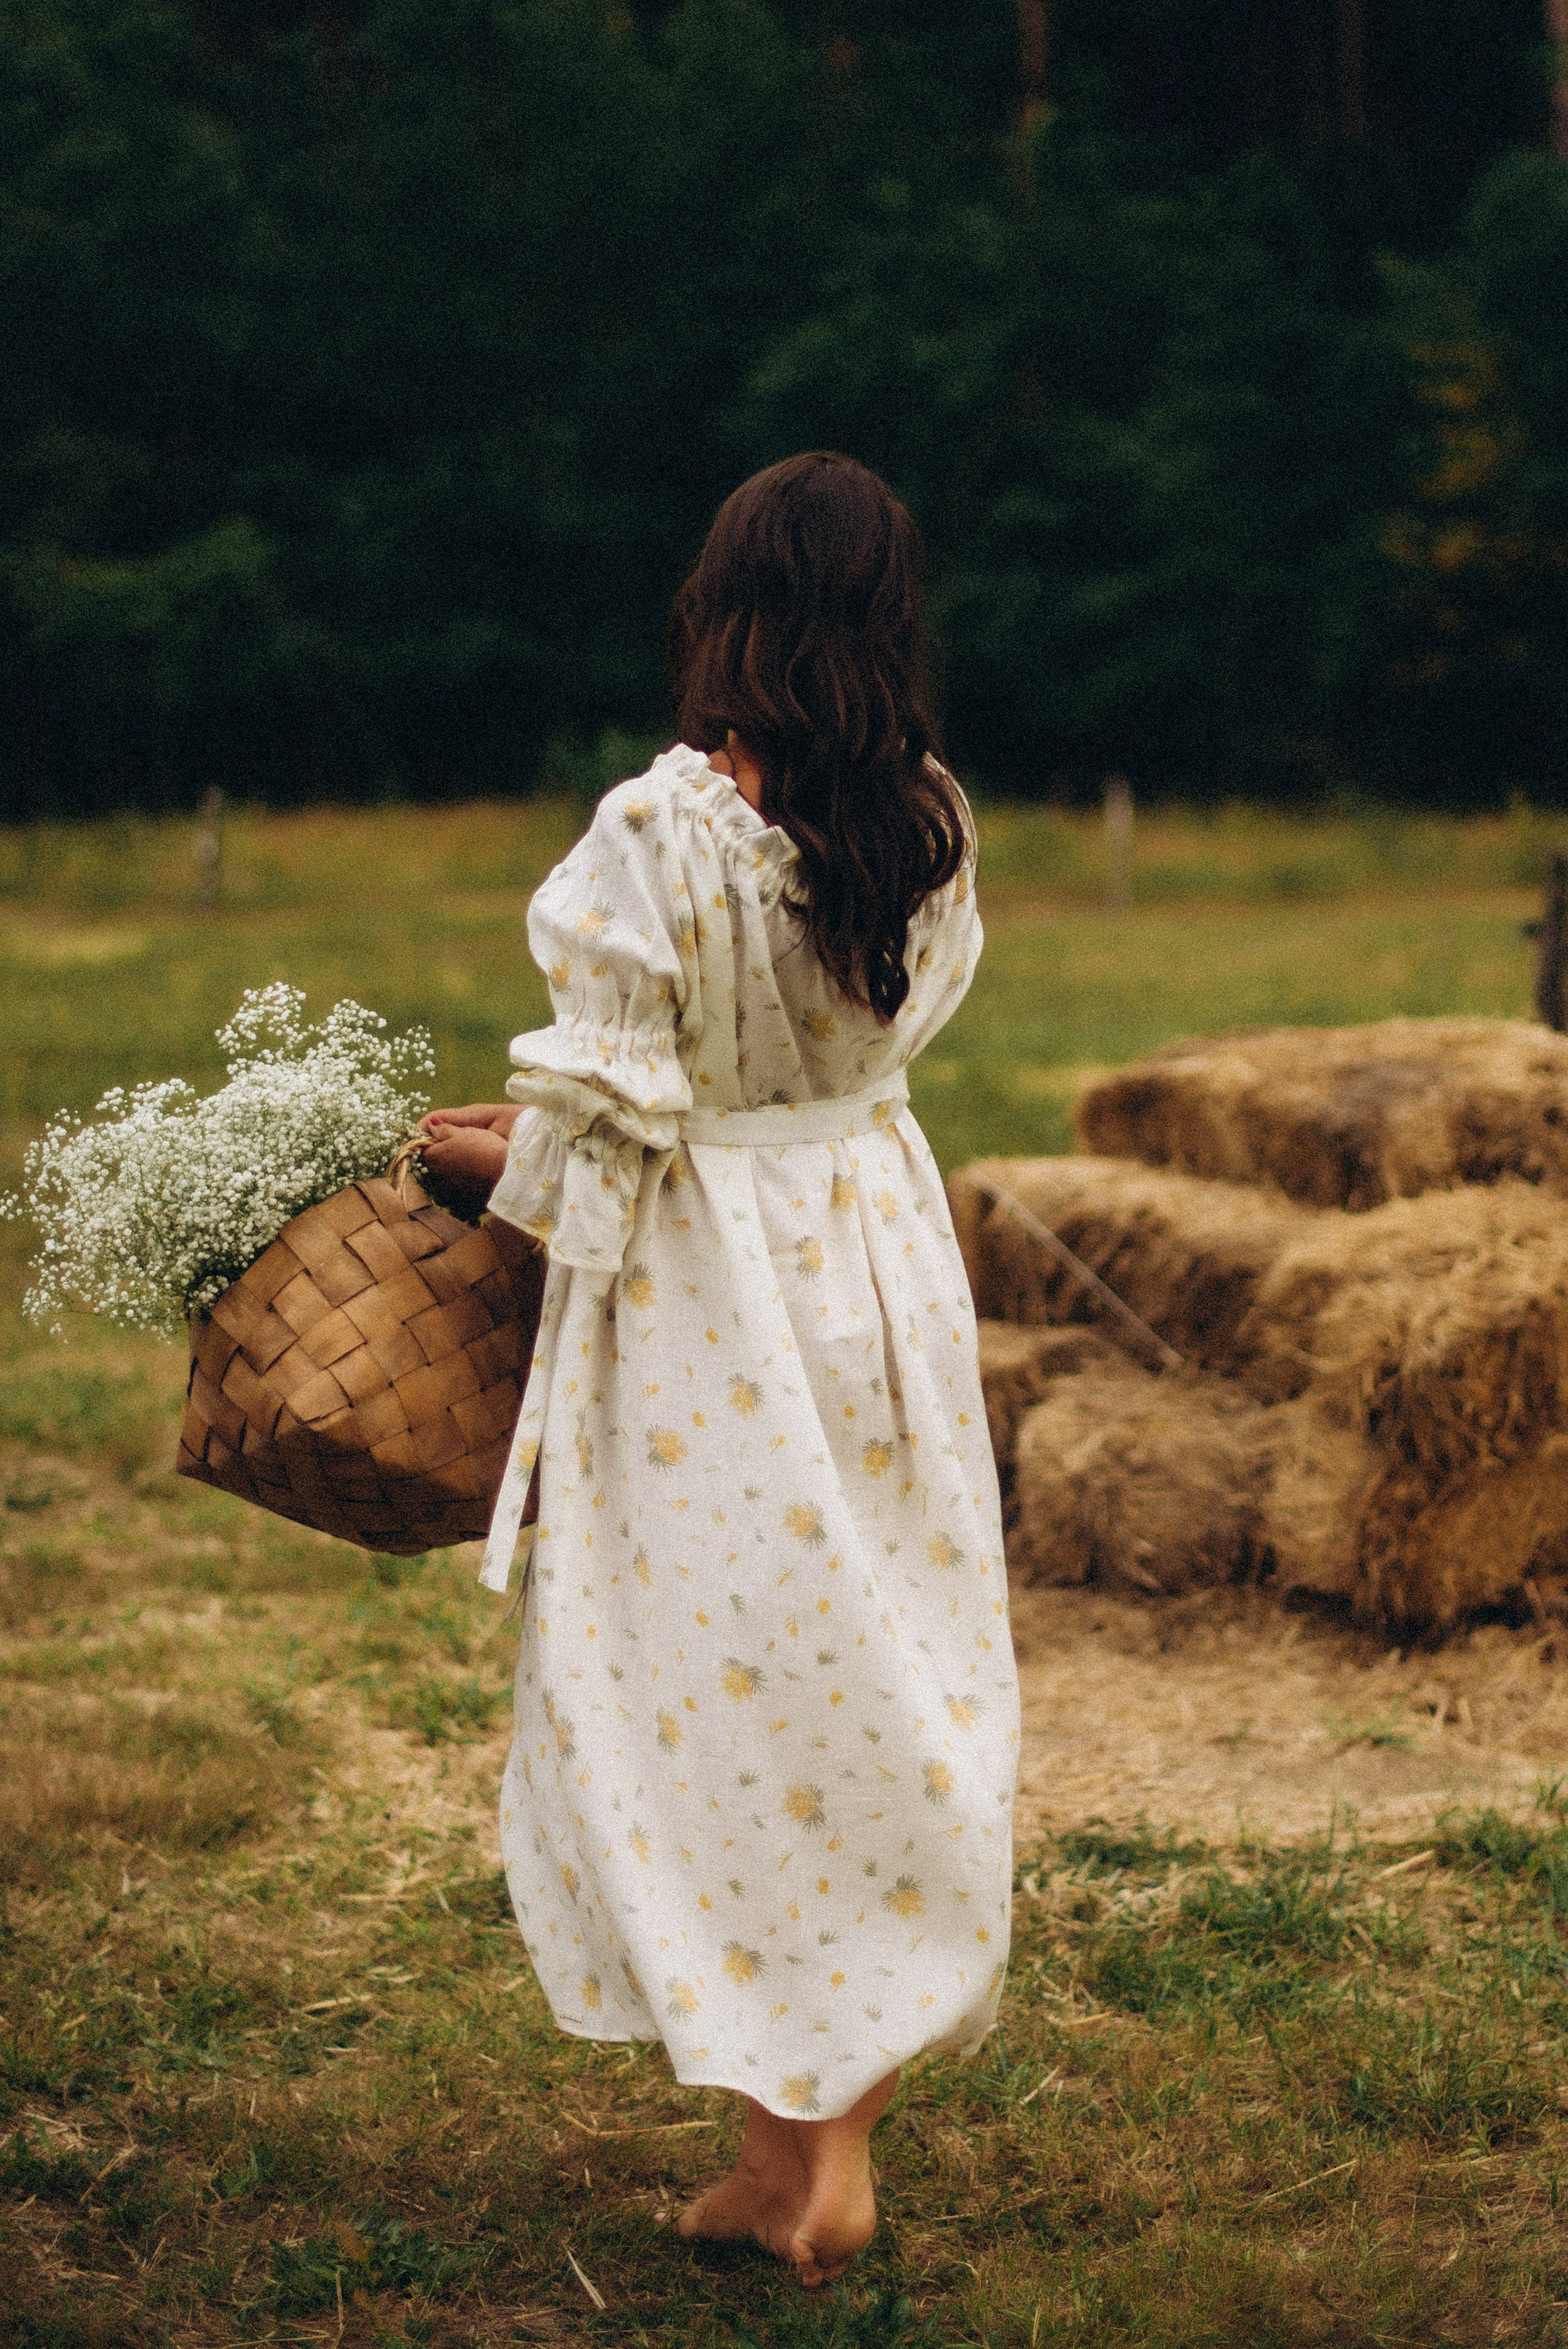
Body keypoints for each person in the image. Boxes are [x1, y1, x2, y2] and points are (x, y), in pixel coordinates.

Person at [419, 452, 1019, 2288]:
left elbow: (605, 1145)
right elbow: (846, 1050)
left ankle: (799, 2163)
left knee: (718, 1690)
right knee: (863, 1662)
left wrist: (471, 1156)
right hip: (876, 1265)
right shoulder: (924, 819)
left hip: (709, 1310)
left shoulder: (657, 833)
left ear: (724, 601)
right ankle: (813, 2157)